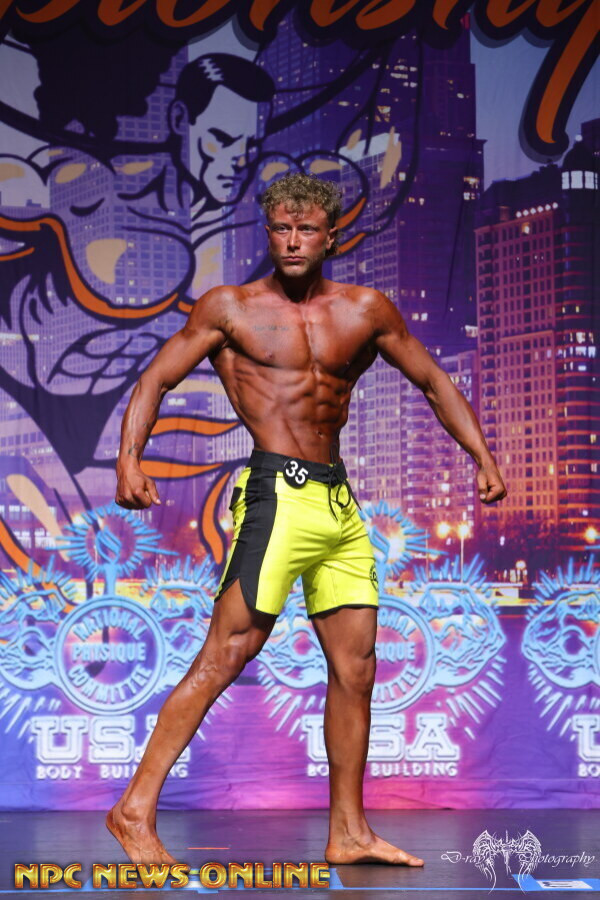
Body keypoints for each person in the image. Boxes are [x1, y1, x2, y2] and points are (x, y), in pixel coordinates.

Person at [108, 173, 507, 867]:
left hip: (338, 505)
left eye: (306, 230)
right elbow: (156, 379)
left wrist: (482, 456)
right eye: (281, 229)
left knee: (357, 667)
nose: (293, 241)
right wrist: (128, 460)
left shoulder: (365, 310)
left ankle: (349, 832)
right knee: (227, 653)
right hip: (276, 496)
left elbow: (432, 379)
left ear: (331, 237)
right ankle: (132, 810)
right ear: (269, 234)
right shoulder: (231, 308)